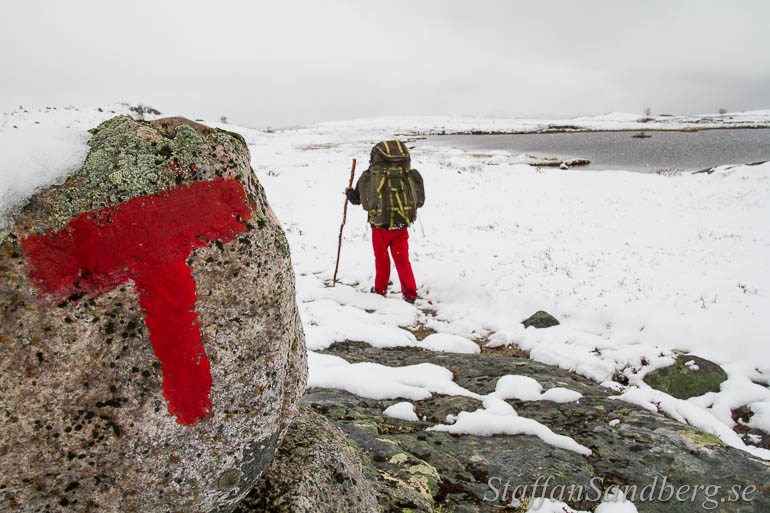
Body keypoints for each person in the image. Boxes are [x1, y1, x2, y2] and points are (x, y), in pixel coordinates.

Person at [345, 140, 425, 304]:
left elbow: (357, 200)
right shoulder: (406, 174)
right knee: (402, 259)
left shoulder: (369, 175)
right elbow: (418, 199)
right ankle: (410, 294)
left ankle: (380, 291)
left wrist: (349, 193)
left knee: (381, 259)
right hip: (401, 224)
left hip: (379, 226)